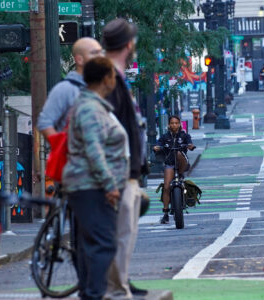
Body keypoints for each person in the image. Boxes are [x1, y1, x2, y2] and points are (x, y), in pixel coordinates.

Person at [62, 56, 130, 300]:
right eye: (112, 74)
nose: (115, 79)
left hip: (88, 184)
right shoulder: (90, 108)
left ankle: (90, 293)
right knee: (103, 243)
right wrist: (110, 184)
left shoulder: (92, 105)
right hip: (90, 185)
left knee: (90, 243)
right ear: (105, 79)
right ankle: (93, 294)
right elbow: (94, 149)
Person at [101, 18, 147, 299]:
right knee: (120, 237)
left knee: (123, 237)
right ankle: (116, 291)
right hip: (118, 173)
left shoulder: (114, 76)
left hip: (124, 171)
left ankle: (120, 287)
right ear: (129, 45)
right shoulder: (109, 79)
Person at [37, 37, 103, 138]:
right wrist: (62, 147)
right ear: (79, 59)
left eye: (100, 53)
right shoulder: (65, 89)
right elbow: (44, 123)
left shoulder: (104, 88)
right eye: (94, 53)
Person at [153, 115, 195, 224]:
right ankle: (166, 213)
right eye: (172, 123)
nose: (174, 125)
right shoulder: (165, 136)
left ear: (179, 124)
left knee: (178, 153)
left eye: (176, 123)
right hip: (170, 164)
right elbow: (158, 144)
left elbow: (190, 143)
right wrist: (157, 147)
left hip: (182, 163)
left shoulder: (184, 135)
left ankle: (180, 174)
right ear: (169, 125)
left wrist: (190, 146)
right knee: (166, 186)